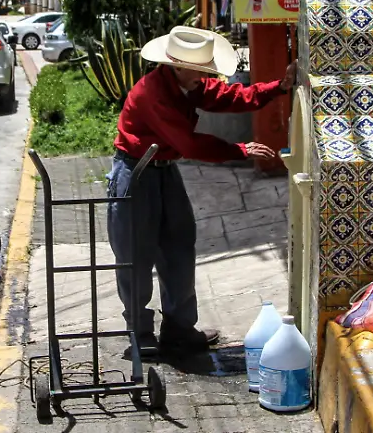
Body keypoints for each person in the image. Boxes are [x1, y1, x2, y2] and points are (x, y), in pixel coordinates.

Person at [108, 26, 294, 357]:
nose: (205, 77)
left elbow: (229, 97)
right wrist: (239, 150)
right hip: (136, 173)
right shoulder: (153, 93)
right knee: (135, 256)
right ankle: (140, 332)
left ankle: (179, 329)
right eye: (201, 70)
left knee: (179, 247)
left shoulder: (188, 84)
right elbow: (189, 143)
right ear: (178, 67)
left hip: (164, 169)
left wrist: (278, 87)